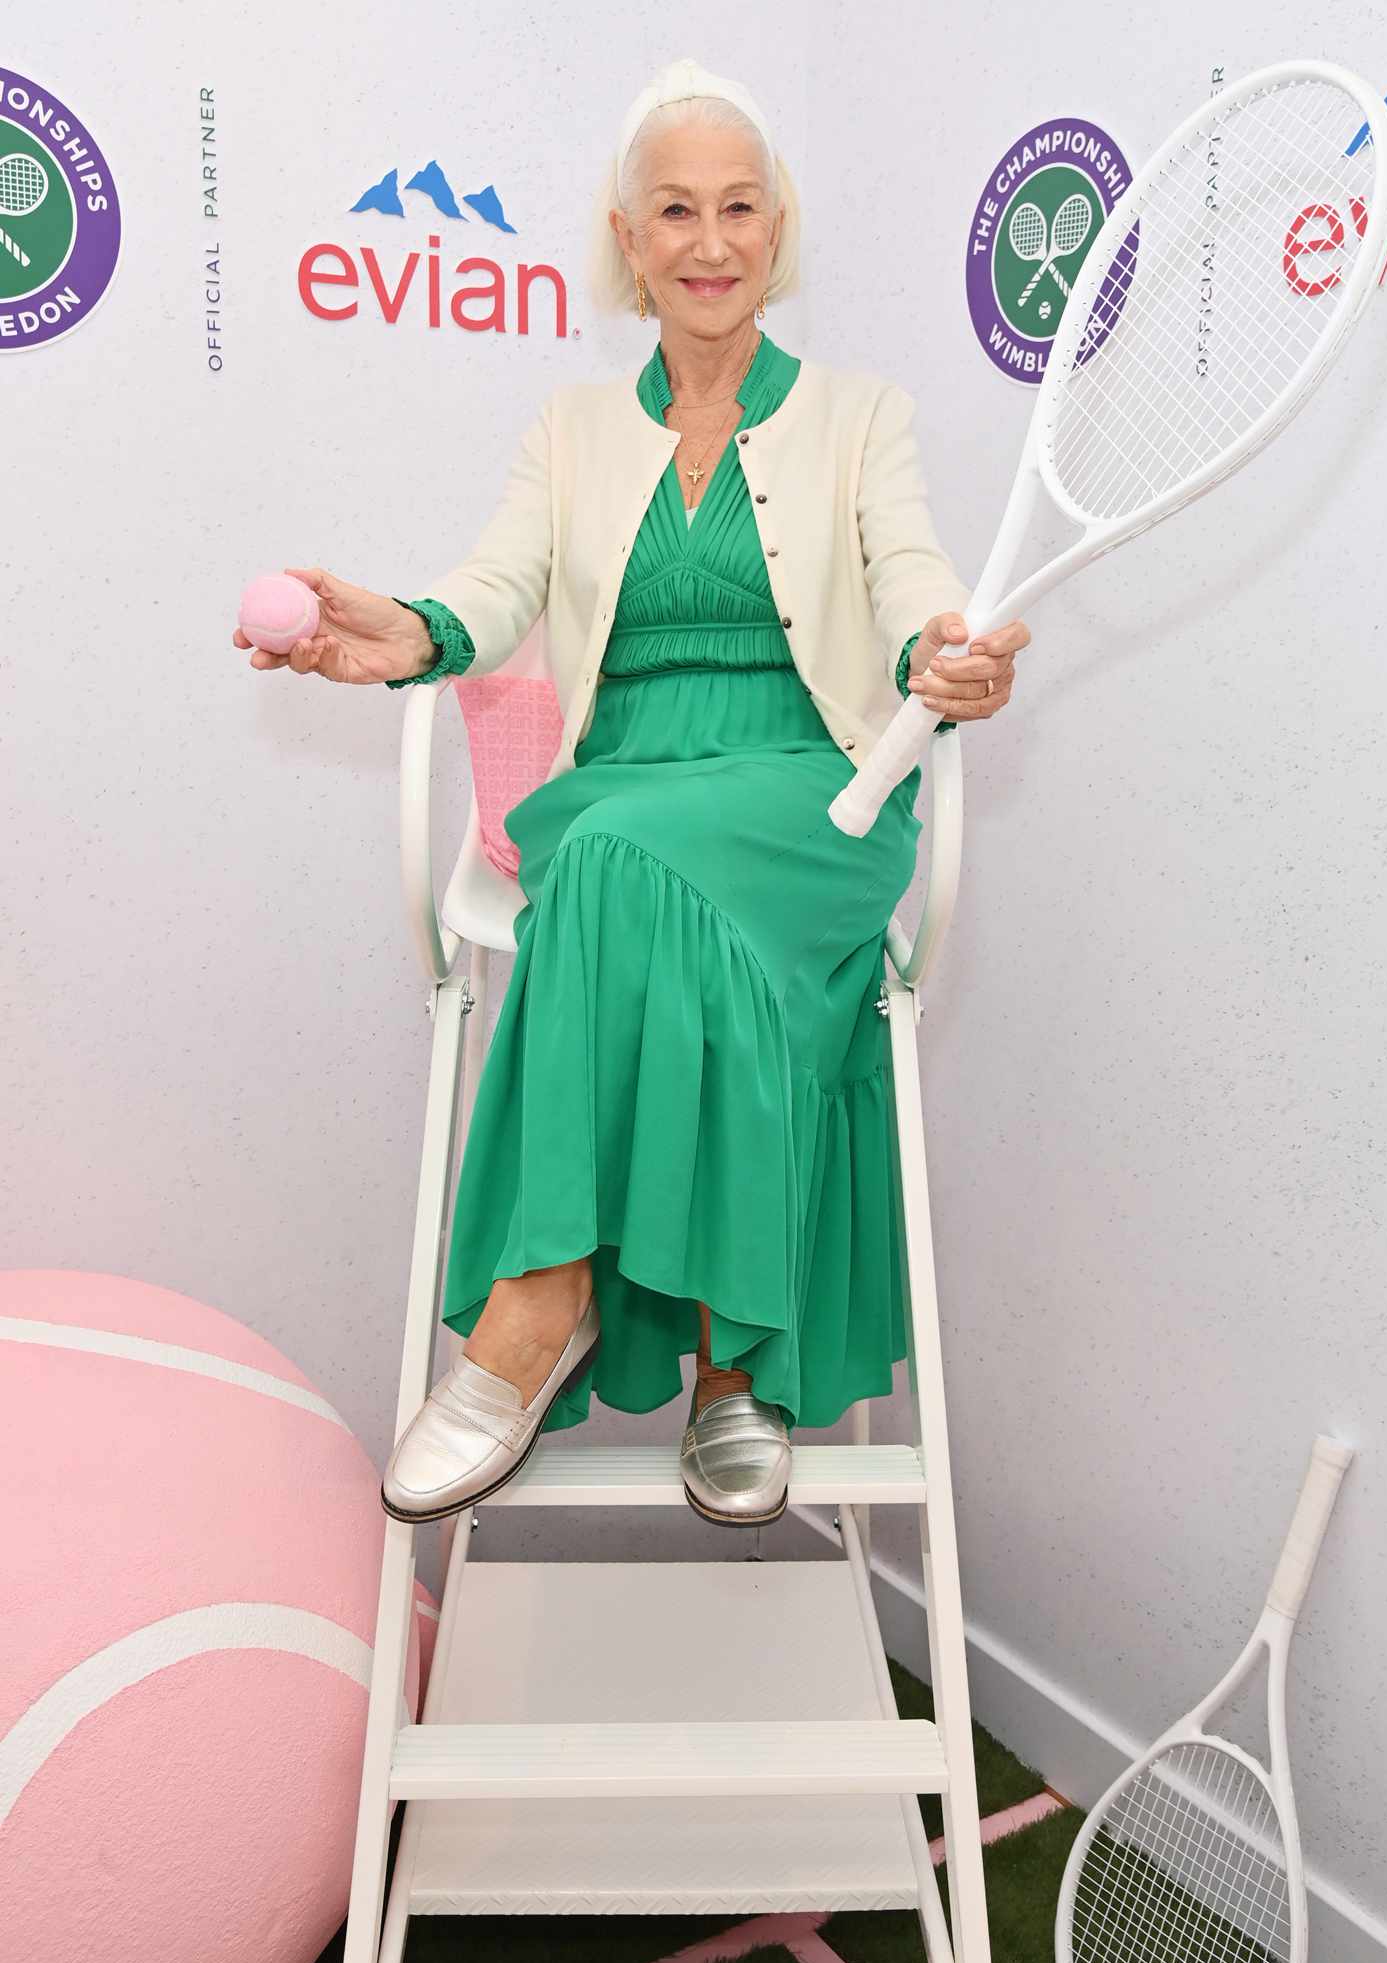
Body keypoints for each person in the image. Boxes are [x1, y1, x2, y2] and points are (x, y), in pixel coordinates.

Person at [233, 56, 1030, 1531]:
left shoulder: (863, 415)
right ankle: (736, 1366)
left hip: (814, 793)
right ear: (628, 236)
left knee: (602, 865)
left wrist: (943, 648)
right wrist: (398, 633)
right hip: (631, 785)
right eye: (676, 211)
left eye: (738, 208)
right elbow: (492, 587)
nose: (710, 242)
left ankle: (537, 1310)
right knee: (610, 847)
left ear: (778, 229)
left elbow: (915, 573)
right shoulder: (571, 429)